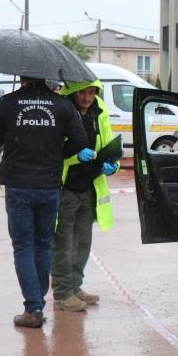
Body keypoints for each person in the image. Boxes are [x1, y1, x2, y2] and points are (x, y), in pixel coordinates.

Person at [0, 76, 88, 329]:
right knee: (43, 245)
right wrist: (56, 154)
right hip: (49, 184)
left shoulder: (9, 102)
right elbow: (79, 141)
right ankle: (38, 301)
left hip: (18, 183)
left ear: (22, 76)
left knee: (23, 246)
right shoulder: (62, 105)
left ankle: (33, 308)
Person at [51, 80, 118, 312]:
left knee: (82, 241)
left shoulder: (98, 110)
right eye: (82, 92)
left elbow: (107, 140)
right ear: (72, 92)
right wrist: (75, 157)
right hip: (66, 186)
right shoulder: (62, 111)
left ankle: (75, 286)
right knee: (63, 241)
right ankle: (62, 293)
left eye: (91, 92)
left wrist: (113, 163)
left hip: (90, 185)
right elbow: (53, 152)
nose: (87, 97)